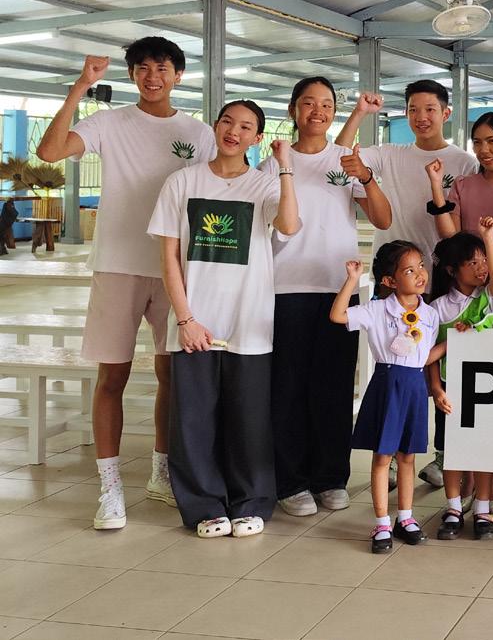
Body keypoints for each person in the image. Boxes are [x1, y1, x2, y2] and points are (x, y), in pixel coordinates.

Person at [36, 38, 216, 530]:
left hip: (174, 268)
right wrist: (80, 86)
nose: (152, 77)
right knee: (111, 376)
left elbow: (214, 190)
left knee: (172, 374)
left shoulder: (198, 133)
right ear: (133, 75)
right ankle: (109, 487)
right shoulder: (108, 122)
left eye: (162, 68)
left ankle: (162, 471)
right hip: (117, 264)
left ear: (178, 75)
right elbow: (49, 151)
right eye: (142, 68)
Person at [148, 100, 299, 538]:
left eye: (246, 127)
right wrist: (185, 319)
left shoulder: (263, 185)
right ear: (215, 127)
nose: (234, 131)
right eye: (228, 122)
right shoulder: (182, 182)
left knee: (249, 420)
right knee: (193, 421)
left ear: (257, 138)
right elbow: (169, 257)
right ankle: (203, 506)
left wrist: (285, 167)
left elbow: (289, 225)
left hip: (249, 322)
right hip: (195, 322)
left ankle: (251, 502)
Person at [259, 77, 392, 519]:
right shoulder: (274, 162)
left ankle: (331, 477)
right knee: (289, 388)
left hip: (339, 290)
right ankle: (290, 481)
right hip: (286, 288)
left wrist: (366, 177)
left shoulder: (345, 160)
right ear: (293, 109)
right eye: (308, 103)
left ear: (334, 112)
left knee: (333, 388)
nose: (318, 111)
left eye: (326, 104)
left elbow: (383, 218)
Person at [339, 80, 479, 489]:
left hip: (442, 278)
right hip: (394, 279)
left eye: (430, 109)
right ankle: (392, 451)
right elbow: (340, 155)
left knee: (444, 368)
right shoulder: (392, 153)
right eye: (414, 109)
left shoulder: (464, 163)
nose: (421, 117)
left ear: (446, 113)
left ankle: (444, 455)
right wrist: (360, 113)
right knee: (396, 366)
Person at [329, 241, 448, 553]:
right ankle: (382, 522)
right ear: (389, 281)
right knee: (383, 457)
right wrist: (352, 280)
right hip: (387, 384)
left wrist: (452, 342)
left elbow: (424, 358)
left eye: (421, 266)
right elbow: (338, 315)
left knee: (408, 456)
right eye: (409, 270)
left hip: (415, 387)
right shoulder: (378, 309)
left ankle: (405, 518)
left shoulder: (430, 314)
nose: (420, 274)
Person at [427, 220, 493, 541]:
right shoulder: (437, 309)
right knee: (453, 451)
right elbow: (430, 355)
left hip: (486, 389)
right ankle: (454, 507)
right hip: (451, 390)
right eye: (472, 263)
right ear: (451, 270)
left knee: (482, 449)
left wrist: (488, 237)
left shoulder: (488, 298)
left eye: (483, 260)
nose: (481, 268)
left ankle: (483, 507)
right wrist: (436, 389)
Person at [427, 111, 493, 240]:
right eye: (477, 142)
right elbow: (450, 236)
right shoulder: (462, 185)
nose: (483, 150)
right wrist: (436, 185)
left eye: (492, 141)